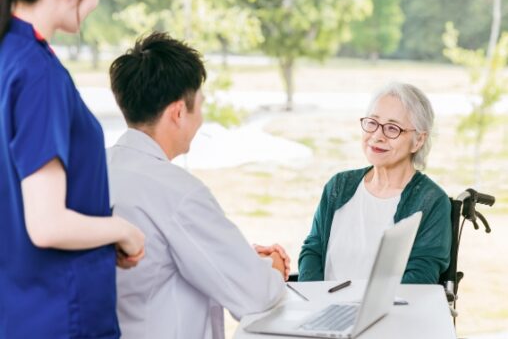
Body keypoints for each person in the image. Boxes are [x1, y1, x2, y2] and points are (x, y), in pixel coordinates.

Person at [107, 31, 289, 339]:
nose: (201, 118)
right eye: (199, 106)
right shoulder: (177, 191)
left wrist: (242, 258)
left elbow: (167, 258)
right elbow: (255, 294)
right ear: (178, 112)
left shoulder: (93, 170)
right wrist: (271, 265)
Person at [0, 0, 145, 338]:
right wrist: (122, 230)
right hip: (58, 315)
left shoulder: (9, 57)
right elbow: (47, 225)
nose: (96, 2)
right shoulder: (38, 73)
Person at [298, 83, 452, 284]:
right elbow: (313, 250)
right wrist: (315, 300)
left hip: (388, 314)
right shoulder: (338, 186)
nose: (377, 136)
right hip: (326, 309)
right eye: (372, 123)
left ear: (418, 141)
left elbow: (420, 278)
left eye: (392, 128)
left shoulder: (432, 202)